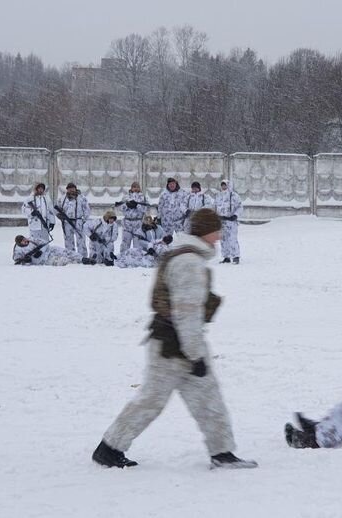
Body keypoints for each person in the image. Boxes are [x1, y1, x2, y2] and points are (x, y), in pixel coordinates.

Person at [92, 208, 257, 469]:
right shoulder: (189, 263)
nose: (219, 237)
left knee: (205, 398)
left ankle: (222, 451)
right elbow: (187, 313)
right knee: (154, 400)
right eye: (217, 231)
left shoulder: (185, 256)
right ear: (207, 231)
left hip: (171, 341)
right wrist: (195, 354)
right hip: (174, 346)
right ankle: (110, 447)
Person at [55, 182, 90, 258]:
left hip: (78, 221)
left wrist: (84, 220)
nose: (71, 190)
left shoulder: (82, 198)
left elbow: (87, 210)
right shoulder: (62, 198)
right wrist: (60, 216)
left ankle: (82, 257)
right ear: (67, 189)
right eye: (69, 188)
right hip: (67, 222)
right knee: (68, 240)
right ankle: (71, 257)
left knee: (81, 240)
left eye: (72, 188)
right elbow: (57, 209)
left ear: (75, 188)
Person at [215, 179, 243, 264]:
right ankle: (226, 257)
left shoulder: (234, 195)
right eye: (222, 185)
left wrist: (235, 215)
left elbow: (240, 206)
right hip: (221, 221)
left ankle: (236, 256)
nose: (223, 187)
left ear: (228, 185)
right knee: (223, 240)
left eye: (225, 185)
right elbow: (214, 206)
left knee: (232, 239)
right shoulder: (218, 196)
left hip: (231, 220)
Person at [116, 181, 148, 252]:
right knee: (125, 243)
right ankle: (123, 259)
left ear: (139, 188)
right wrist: (126, 205)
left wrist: (137, 205)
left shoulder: (143, 197)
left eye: (137, 187)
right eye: (134, 187)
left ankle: (137, 260)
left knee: (138, 244)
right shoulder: (126, 197)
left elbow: (145, 209)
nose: (136, 189)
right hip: (127, 223)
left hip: (138, 223)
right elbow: (119, 208)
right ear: (131, 188)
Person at [11, 235, 82, 266]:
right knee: (62, 261)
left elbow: (44, 243)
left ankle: (82, 259)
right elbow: (16, 259)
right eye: (23, 241)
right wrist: (27, 260)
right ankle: (76, 264)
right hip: (44, 260)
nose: (26, 241)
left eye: (24, 239)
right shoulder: (17, 250)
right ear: (19, 243)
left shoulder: (31, 239)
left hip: (50, 250)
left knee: (66, 252)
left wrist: (41, 250)